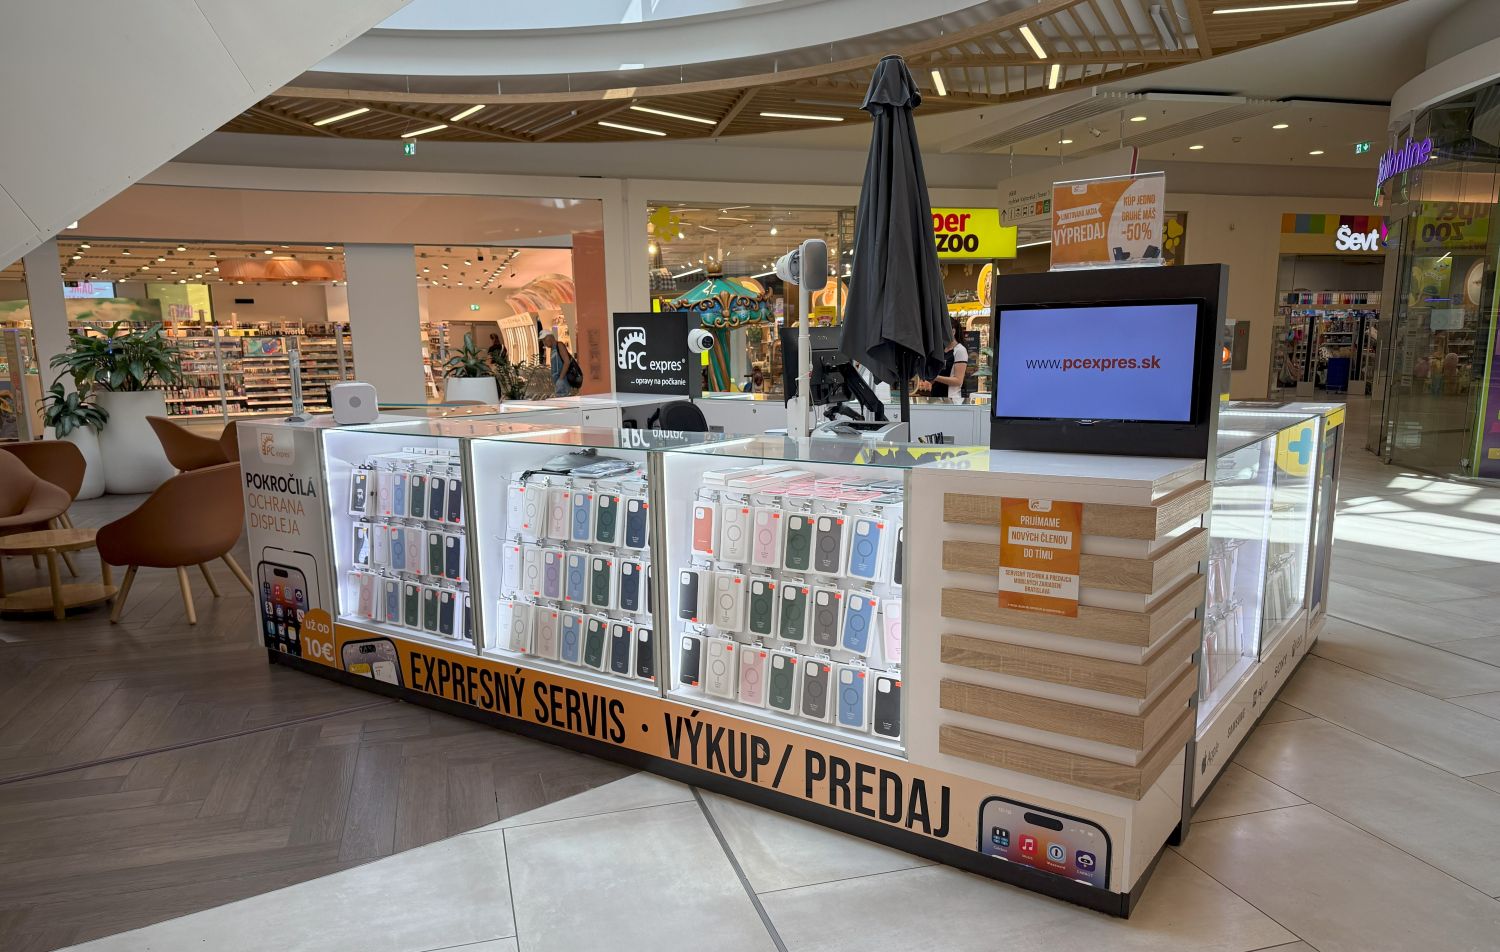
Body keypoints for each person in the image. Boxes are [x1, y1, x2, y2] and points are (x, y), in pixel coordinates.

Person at [922, 319, 968, 402]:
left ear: (953, 331)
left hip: (951, 400)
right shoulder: (941, 350)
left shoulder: (960, 350)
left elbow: (958, 381)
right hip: (936, 398)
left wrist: (935, 377)